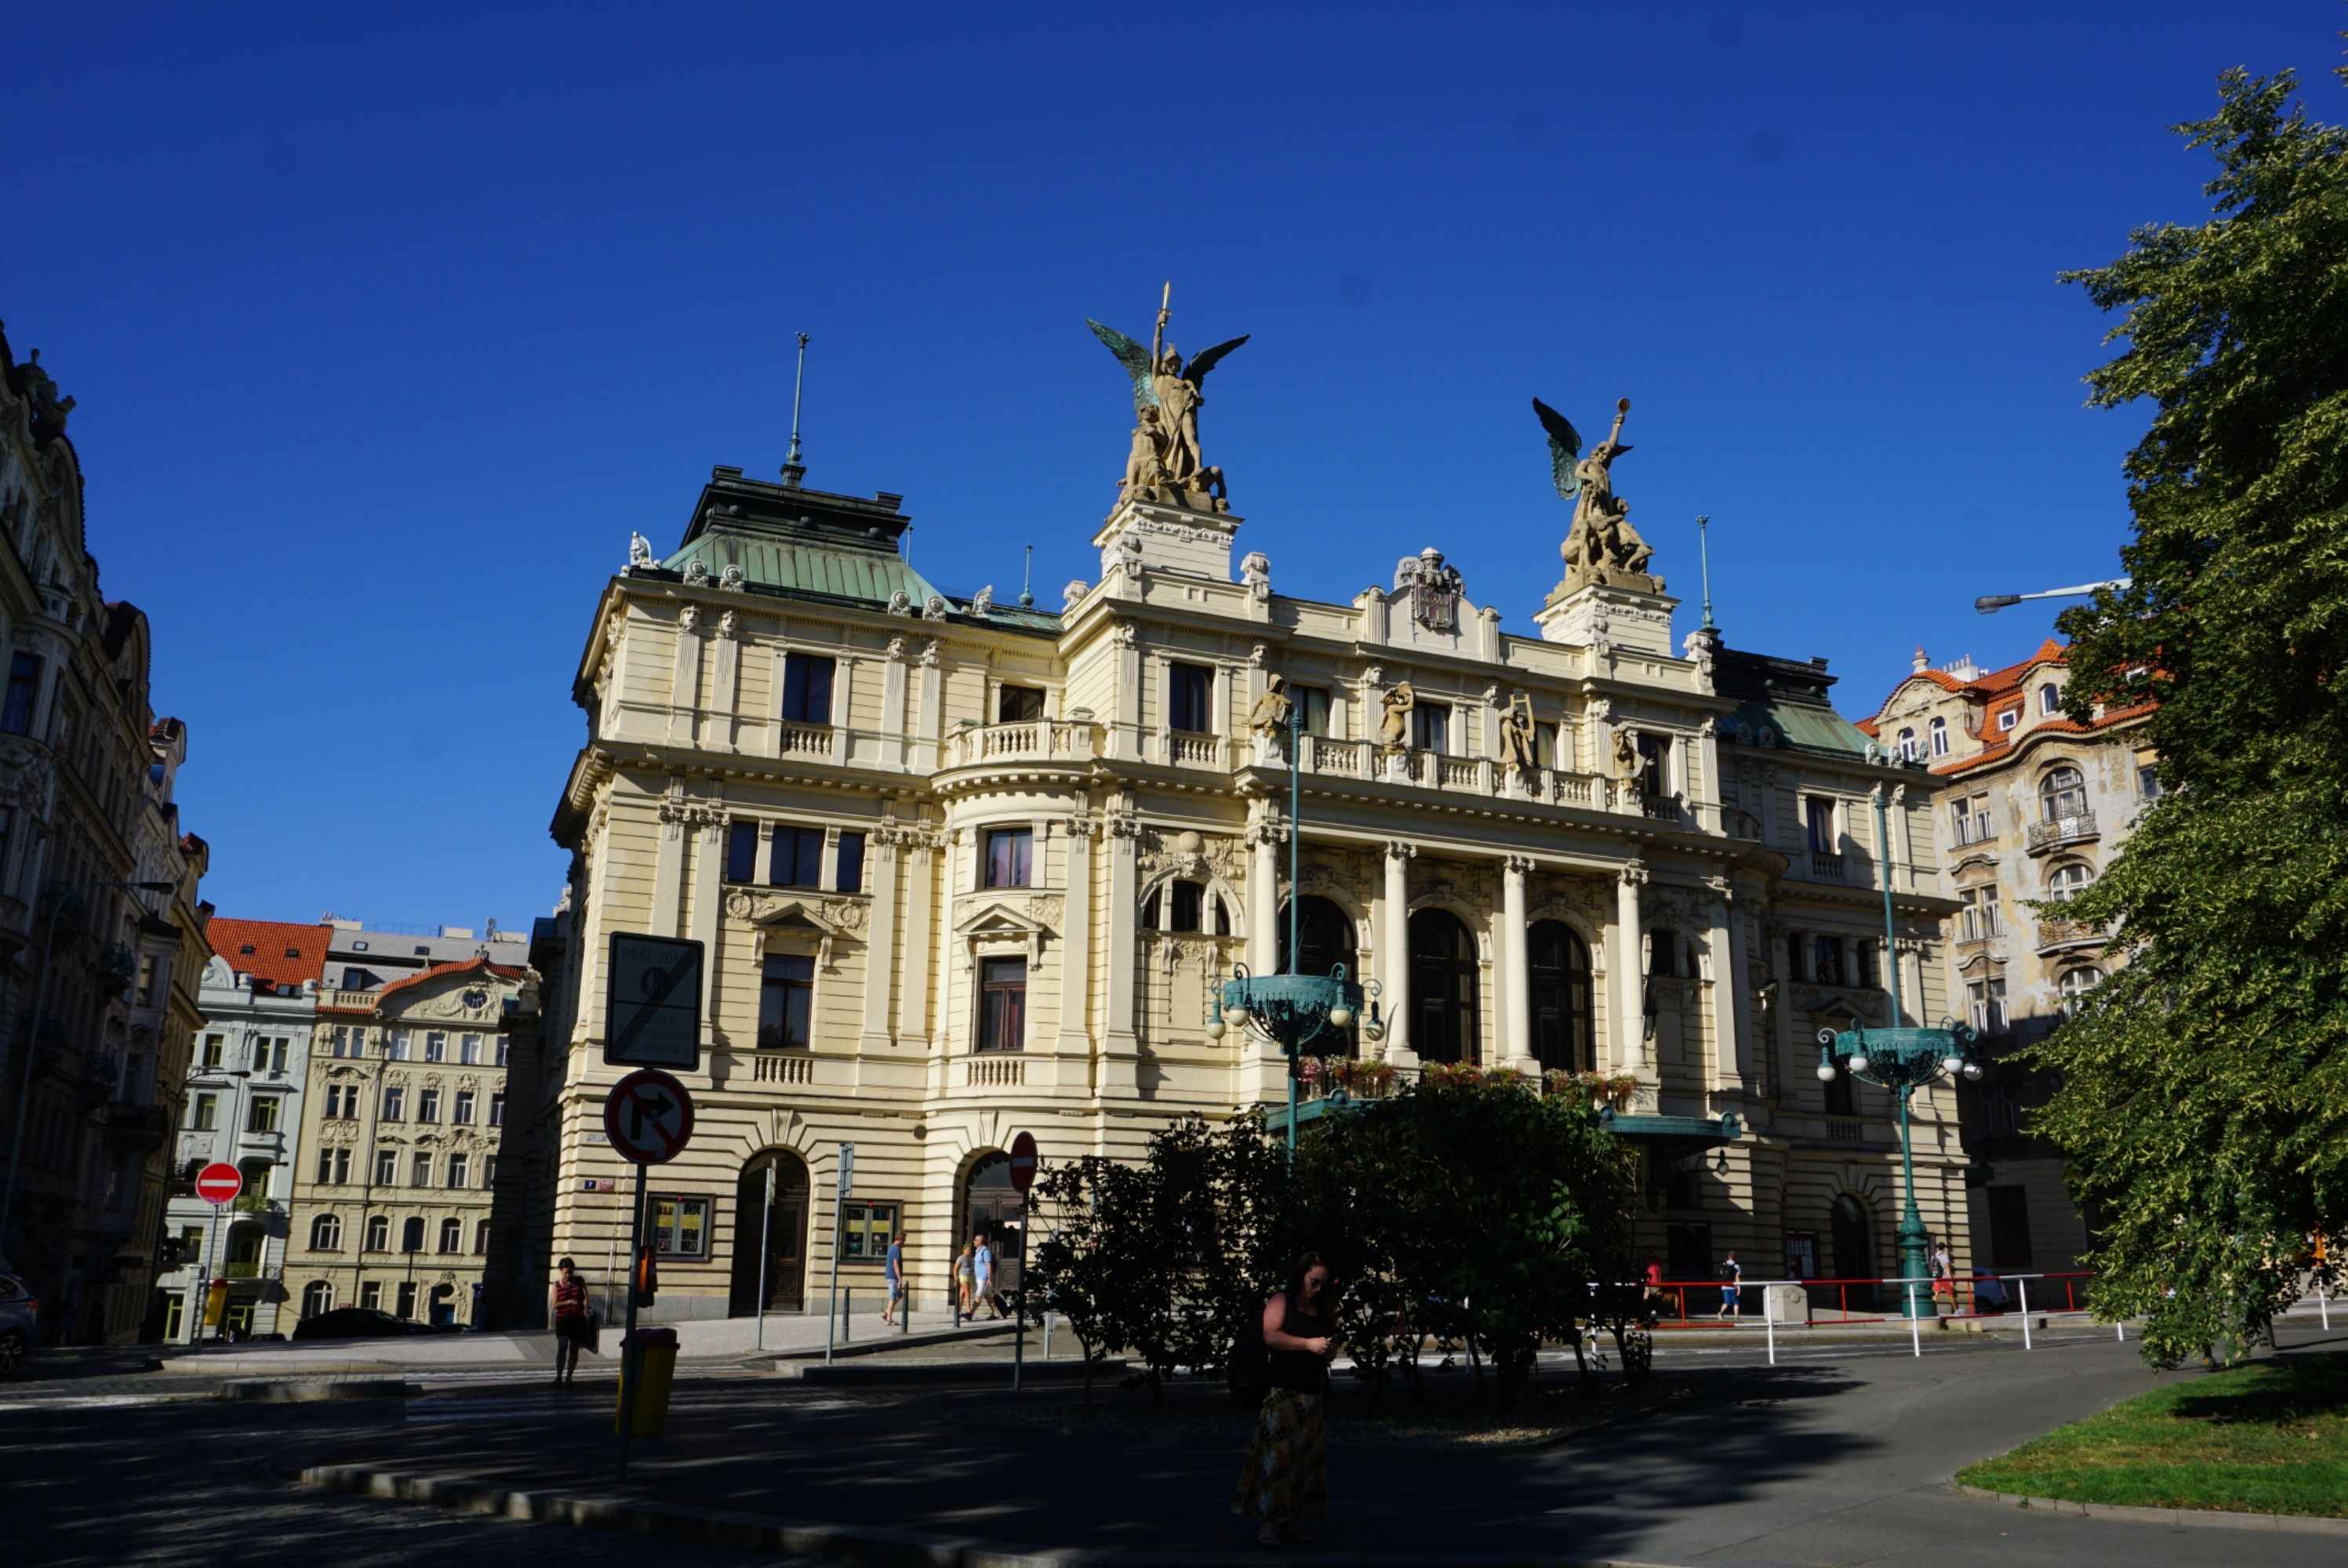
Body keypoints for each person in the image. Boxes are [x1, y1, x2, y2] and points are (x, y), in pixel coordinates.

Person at [1233, 1253, 1339, 1548]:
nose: (1317, 1289)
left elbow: (1322, 1347)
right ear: (1301, 1276)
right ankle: (1266, 1527)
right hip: (1282, 1392)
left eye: (1322, 1284)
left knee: (1302, 1462)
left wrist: (1327, 1350)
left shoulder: (1321, 1310)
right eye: (1313, 1282)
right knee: (1274, 1460)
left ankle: (1289, 1524)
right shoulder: (1283, 1301)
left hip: (1311, 1395)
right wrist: (1308, 1344)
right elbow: (1271, 1336)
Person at [550, 1257, 591, 1385]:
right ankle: (558, 1377)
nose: (568, 1275)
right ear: (561, 1271)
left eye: (570, 1272)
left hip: (578, 1319)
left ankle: (569, 1377)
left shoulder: (579, 1281)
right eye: (566, 1272)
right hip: (563, 1320)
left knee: (574, 1349)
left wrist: (585, 1311)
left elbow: (585, 1297)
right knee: (562, 1346)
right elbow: (555, 1305)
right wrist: (569, 1301)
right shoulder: (556, 1285)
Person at [972, 1231, 999, 1320]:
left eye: (975, 1240)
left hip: (983, 1278)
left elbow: (989, 1265)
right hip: (979, 1277)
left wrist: (989, 1278)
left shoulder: (985, 1251)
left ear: (980, 1241)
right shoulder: (978, 1251)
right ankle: (995, 1313)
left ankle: (970, 1314)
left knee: (978, 1295)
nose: (974, 1241)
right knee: (988, 1296)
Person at [882, 1231, 905, 1327]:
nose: (904, 1242)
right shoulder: (896, 1249)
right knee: (893, 1298)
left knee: (899, 1295)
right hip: (893, 1276)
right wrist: (900, 1279)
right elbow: (896, 1264)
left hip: (891, 1276)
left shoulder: (891, 1247)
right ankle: (889, 1320)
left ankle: (886, 1312)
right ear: (900, 1240)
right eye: (904, 1240)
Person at [954, 1240, 976, 1323]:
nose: (969, 1251)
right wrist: (956, 1279)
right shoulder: (961, 1258)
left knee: (962, 1295)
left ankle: (958, 1312)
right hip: (962, 1277)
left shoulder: (970, 1258)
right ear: (964, 1250)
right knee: (968, 1293)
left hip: (968, 1277)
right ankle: (968, 1311)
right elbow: (955, 1269)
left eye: (970, 1250)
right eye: (967, 1249)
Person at [1717, 1251, 1742, 1320]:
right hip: (1733, 1287)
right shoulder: (1736, 1266)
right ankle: (1736, 1317)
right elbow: (1737, 1278)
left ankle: (1721, 1312)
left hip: (1724, 1286)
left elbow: (1721, 1274)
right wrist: (1739, 1288)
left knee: (1726, 1302)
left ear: (1728, 1256)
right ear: (1735, 1257)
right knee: (1736, 1303)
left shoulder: (1723, 1265)